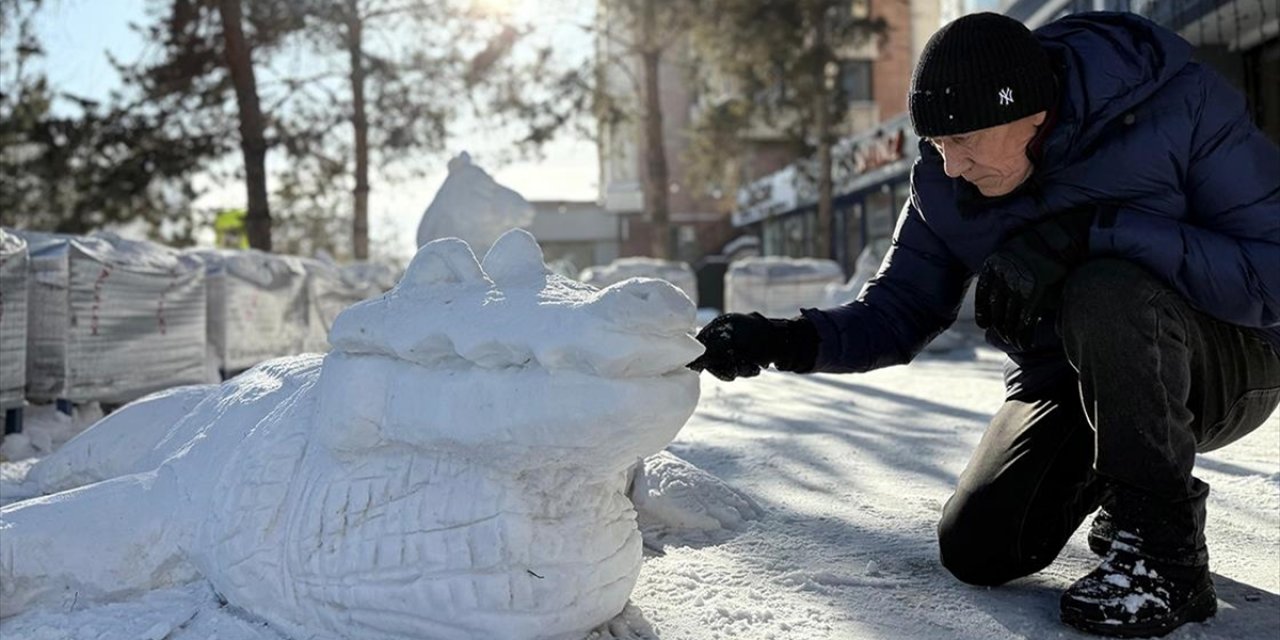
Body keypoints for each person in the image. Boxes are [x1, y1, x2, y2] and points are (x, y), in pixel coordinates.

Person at [690, 11, 1280, 638]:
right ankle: (1127, 484)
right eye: (938, 144)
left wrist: (1094, 233)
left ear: (1031, 111)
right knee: (979, 548)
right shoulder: (942, 185)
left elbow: (1271, 275)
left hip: (1227, 364)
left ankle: (1165, 556)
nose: (951, 165)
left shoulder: (1178, 106)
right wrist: (780, 339)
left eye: (965, 139)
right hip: (1072, 378)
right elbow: (895, 313)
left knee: (1105, 286)